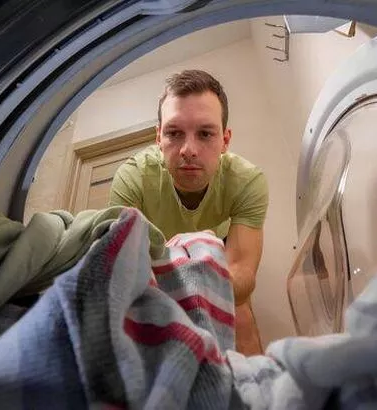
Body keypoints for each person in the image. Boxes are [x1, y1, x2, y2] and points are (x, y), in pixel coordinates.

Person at [109, 69, 269, 355]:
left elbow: (243, 276)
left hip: (217, 260)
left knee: (241, 318)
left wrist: (201, 282)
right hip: (156, 261)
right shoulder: (132, 178)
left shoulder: (247, 181)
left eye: (205, 133)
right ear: (158, 137)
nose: (188, 150)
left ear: (225, 140)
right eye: (174, 133)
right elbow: (124, 270)